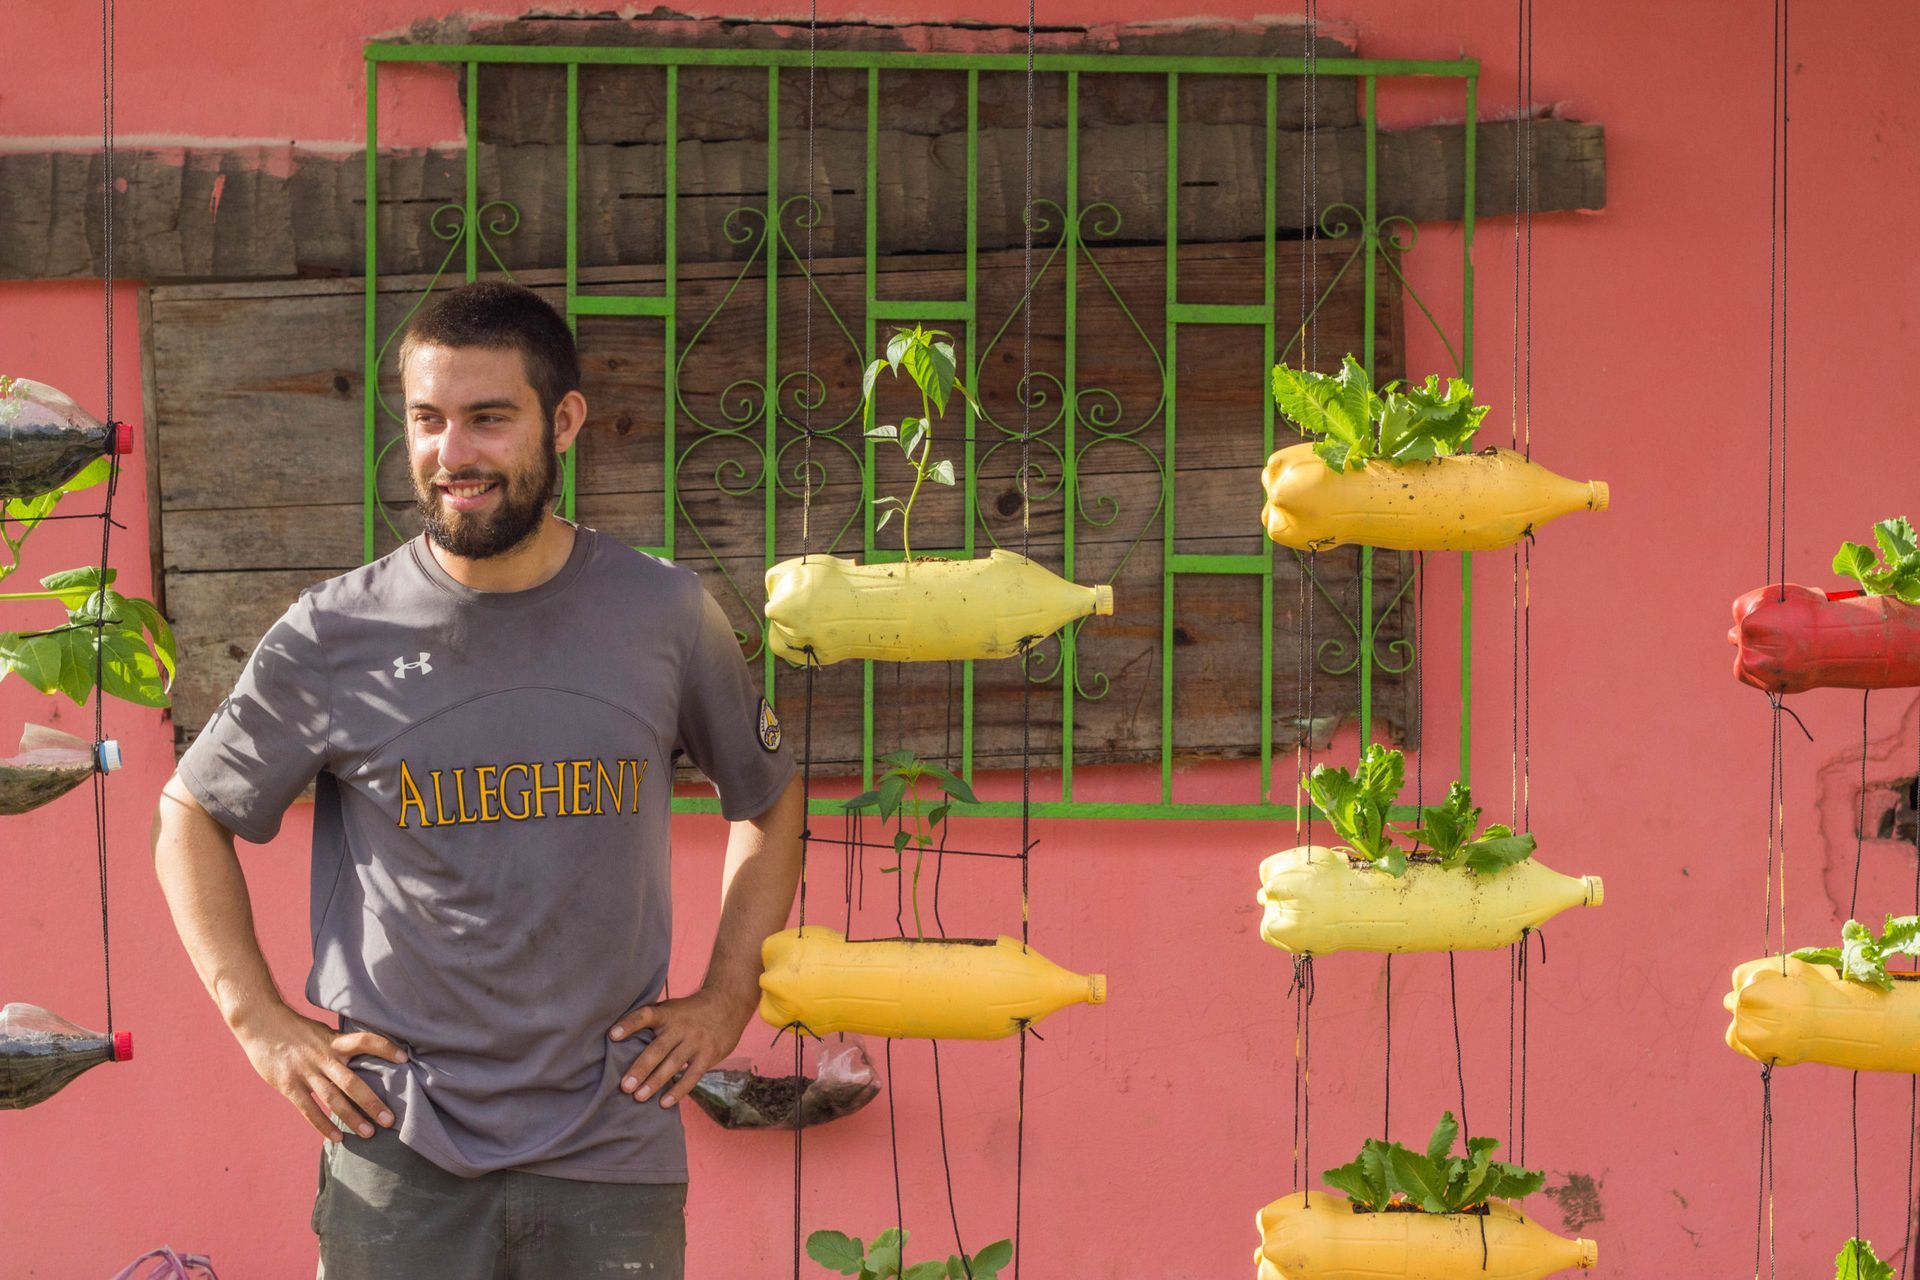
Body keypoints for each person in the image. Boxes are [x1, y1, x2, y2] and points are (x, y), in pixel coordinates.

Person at [151, 281, 803, 1278]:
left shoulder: (663, 612)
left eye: (488, 418)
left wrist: (726, 997)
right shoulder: (337, 630)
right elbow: (191, 812)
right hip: (397, 1155)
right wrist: (264, 1026)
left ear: (565, 421)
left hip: (609, 1150)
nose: (453, 453)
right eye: (427, 419)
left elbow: (766, 795)